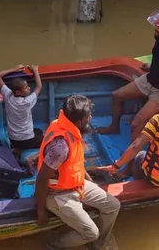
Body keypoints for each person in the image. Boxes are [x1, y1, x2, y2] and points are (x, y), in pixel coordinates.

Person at [36, 95, 120, 250]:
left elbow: (76, 163)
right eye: (88, 117)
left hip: (76, 184)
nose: (91, 118)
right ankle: (53, 245)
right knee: (91, 232)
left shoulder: (67, 127)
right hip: (58, 195)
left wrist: (91, 182)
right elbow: (41, 179)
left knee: (113, 205)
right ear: (79, 122)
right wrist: (41, 209)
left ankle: (98, 245)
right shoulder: (60, 148)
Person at [96, 9, 159, 141]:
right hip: (150, 79)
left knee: (137, 123)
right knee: (117, 96)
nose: (156, 28)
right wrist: (151, 67)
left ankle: (132, 156)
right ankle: (114, 127)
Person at [0, 64, 44, 154]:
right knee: (41, 135)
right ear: (18, 92)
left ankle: (17, 149)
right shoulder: (27, 102)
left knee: (37, 131)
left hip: (13, 139)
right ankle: (26, 152)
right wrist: (35, 70)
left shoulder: (8, 95)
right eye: (26, 88)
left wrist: (13, 69)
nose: (29, 88)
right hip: (27, 140)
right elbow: (39, 86)